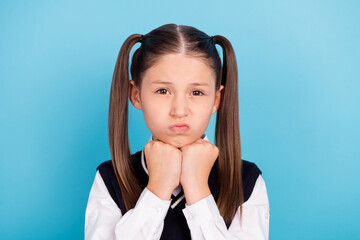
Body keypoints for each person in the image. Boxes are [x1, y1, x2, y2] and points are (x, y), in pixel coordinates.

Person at [85, 23, 270, 240]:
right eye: (163, 91)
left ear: (216, 99)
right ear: (136, 95)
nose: (180, 110)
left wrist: (198, 189)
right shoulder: (109, 179)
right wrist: (157, 189)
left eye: (197, 92)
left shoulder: (246, 181)